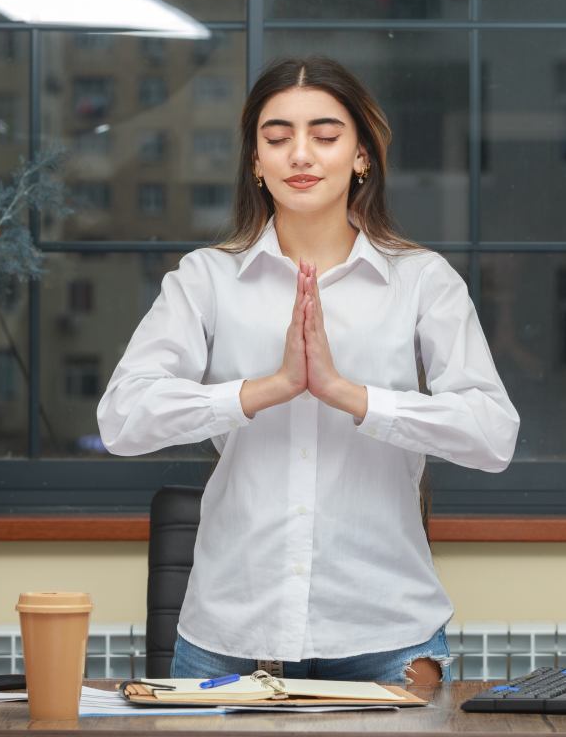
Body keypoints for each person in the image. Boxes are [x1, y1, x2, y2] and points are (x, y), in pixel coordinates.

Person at [97, 56, 519, 684]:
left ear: (361, 156)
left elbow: (493, 435)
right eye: (277, 138)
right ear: (255, 163)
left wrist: (351, 396)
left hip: (389, 635)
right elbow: (121, 419)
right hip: (230, 635)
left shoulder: (422, 280)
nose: (301, 154)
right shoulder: (206, 278)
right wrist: (265, 390)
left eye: (324, 136)